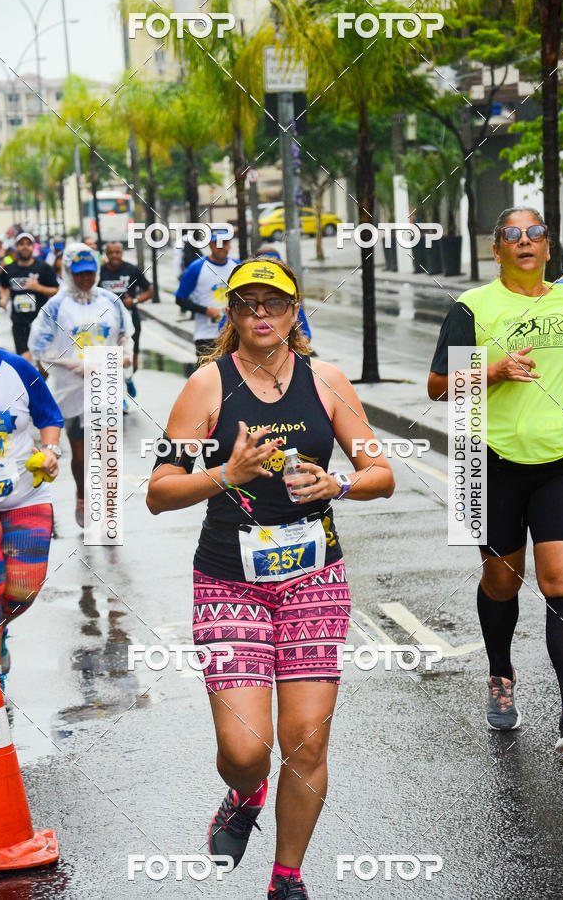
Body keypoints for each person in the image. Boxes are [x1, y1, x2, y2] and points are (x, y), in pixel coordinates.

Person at [147, 256, 394, 899]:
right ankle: (245, 790)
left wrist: (338, 482)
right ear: (231, 314)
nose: (261, 314)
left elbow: (381, 473)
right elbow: (159, 492)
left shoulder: (328, 380)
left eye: (273, 303)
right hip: (230, 581)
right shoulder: (207, 386)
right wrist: (227, 474)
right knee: (247, 748)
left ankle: (287, 878)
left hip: (314, 577)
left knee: (306, 743)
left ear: (293, 313)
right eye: (247, 303)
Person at [428, 206, 563, 752]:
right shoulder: (472, 307)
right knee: (501, 581)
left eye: (535, 233)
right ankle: (500, 675)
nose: (524, 241)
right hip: (488, 460)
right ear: (496, 250)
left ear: (548, 247)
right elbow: (437, 387)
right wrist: (490, 371)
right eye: (512, 234)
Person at [0, 302, 63, 692]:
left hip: (25, 494)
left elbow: (50, 417)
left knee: (22, 589)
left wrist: (50, 452)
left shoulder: (17, 369)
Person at [28, 243, 133, 528]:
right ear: (68, 272)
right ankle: (83, 494)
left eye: (89, 273)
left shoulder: (111, 301)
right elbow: (39, 348)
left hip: (106, 387)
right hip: (72, 391)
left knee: (107, 452)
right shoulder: (56, 305)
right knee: (81, 455)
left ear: (96, 271)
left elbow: (125, 335)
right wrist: (74, 364)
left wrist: (124, 357)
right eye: (79, 273)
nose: (85, 279)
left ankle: (110, 509)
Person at [98, 241, 153, 408]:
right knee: (111, 362)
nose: (114, 256)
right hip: (106, 324)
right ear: (106, 254)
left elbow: (150, 290)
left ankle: (128, 379)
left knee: (131, 362)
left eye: (117, 252)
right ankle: (119, 397)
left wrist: (135, 300)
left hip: (130, 322)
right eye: (111, 252)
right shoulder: (100, 272)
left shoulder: (132, 270)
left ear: (121, 253)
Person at [174, 232, 239, 360]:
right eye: (217, 243)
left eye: (225, 243)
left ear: (230, 245)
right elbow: (180, 299)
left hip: (233, 334)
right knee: (208, 379)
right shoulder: (196, 268)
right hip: (206, 336)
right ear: (210, 245)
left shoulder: (238, 266)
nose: (221, 247)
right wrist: (206, 310)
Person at [0, 232, 59, 360]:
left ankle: (40, 380)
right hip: (19, 323)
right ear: (16, 247)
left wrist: (39, 288)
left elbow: (56, 290)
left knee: (44, 362)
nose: (25, 247)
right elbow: (3, 285)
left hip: (41, 321)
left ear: (33, 247)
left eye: (28, 244)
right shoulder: (9, 268)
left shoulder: (43, 268)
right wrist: (3, 298)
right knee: (25, 359)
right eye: (21, 244)